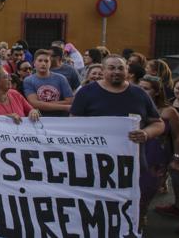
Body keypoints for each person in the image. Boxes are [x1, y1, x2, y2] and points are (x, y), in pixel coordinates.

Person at [70, 55, 165, 228]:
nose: (116, 72)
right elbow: (74, 123)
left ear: (127, 71)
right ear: (104, 70)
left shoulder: (139, 94)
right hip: (94, 165)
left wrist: (145, 133)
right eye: (112, 68)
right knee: (95, 205)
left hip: (131, 164)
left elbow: (158, 123)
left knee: (129, 204)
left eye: (120, 68)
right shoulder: (86, 92)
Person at [138, 76, 179, 198]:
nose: (141, 91)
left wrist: (177, 160)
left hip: (157, 158)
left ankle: (142, 216)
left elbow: (178, 136)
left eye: (146, 88)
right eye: (139, 87)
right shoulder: (134, 106)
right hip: (135, 155)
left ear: (157, 91)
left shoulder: (169, 111)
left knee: (146, 193)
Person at [24, 49, 73, 116]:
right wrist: (65, 107)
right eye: (40, 60)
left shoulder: (61, 78)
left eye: (46, 61)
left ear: (50, 63)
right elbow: (34, 103)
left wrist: (43, 104)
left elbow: (70, 101)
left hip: (61, 119)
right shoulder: (28, 80)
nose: (43, 64)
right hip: (40, 119)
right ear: (34, 63)